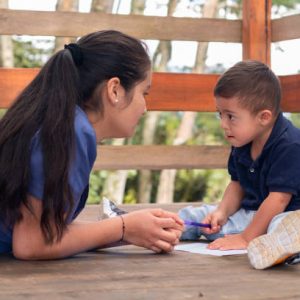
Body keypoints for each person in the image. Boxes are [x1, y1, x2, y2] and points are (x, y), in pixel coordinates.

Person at [0, 30, 183, 260]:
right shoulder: (71, 132)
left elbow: (48, 231)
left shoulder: (60, 122)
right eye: (143, 93)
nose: (145, 108)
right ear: (114, 89)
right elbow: (31, 243)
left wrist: (132, 231)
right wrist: (124, 226)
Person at [178, 60, 300, 268]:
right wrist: (222, 212)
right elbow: (237, 184)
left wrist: (245, 238)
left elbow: (278, 200)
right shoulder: (242, 140)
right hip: (250, 212)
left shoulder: (289, 145)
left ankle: (283, 247)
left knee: (282, 227)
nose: (223, 124)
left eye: (231, 117)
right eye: (220, 114)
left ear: (263, 117)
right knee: (201, 215)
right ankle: (158, 225)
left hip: (284, 214)